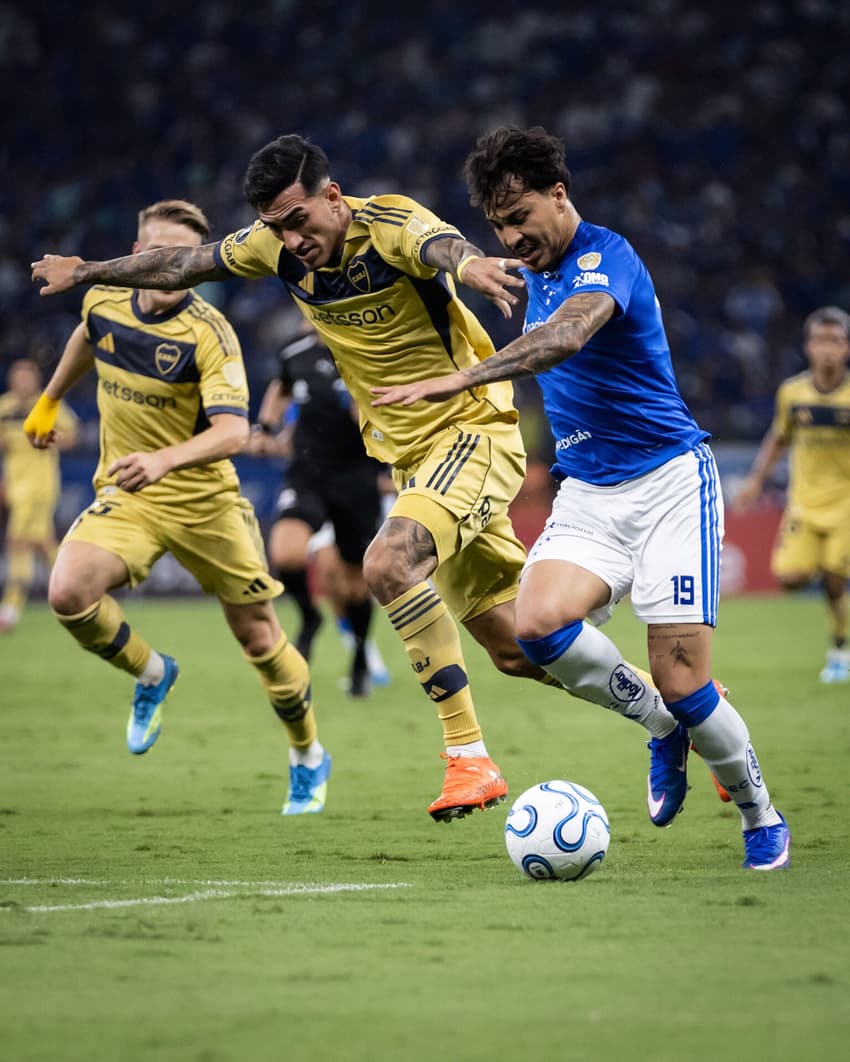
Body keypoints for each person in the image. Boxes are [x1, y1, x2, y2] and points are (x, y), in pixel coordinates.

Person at [32, 135, 683, 829]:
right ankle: (679, 713)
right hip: (409, 455)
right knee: (517, 650)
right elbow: (185, 262)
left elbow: (442, 248)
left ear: (333, 196)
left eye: (299, 218)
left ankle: (468, 757)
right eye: (277, 225)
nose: (292, 238)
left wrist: (471, 269)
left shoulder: (390, 224)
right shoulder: (274, 247)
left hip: (470, 428)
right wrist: (91, 270)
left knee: (389, 560)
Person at [372, 125, 790, 869]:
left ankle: (759, 811)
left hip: (667, 482)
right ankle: (663, 728)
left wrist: (464, 379)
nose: (510, 235)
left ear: (557, 195)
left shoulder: (608, 258)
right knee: (535, 628)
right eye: (497, 224)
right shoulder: (530, 276)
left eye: (519, 216)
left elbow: (565, 338)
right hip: (590, 493)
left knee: (686, 677)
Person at [24, 199, 330, 815]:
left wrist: (163, 460)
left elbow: (233, 432)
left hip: (206, 503)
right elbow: (89, 337)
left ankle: (307, 753)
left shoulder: (209, 335)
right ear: (138, 256)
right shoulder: (103, 299)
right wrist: (51, 400)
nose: (169, 267)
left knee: (259, 638)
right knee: (67, 593)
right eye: (157, 254)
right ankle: (152, 672)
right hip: (129, 497)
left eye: (180, 259)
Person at [248, 322, 388, 696]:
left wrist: (365, 413)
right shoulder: (295, 353)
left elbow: (380, 417)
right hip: (306, 473)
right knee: (285, 553)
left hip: (356, 480)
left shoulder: (367, 351)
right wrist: (265, 425)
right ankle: (310, 618)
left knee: (355, 587)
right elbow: (281, 385)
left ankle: (360, 651)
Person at [735, 305, 850, 684]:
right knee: (792, 577)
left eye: (835, 340)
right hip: (805, 503)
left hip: (846, 503)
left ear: (846, 348)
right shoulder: (793, 393)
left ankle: (840, 649)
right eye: (820, 340)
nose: (827, 349)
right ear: (808, 346)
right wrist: (755, 481)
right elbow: (778, 438)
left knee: (835, 579)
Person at [0, 357, 79, 632]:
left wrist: (55, 438)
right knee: (43, 543)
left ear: (36, 379)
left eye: (27, 376)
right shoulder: (4, 407)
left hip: (41, 486)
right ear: (11, 379)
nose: (22, 381)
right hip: (14, 486)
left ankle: (10, 608)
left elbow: (73, 436)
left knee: (16, 542)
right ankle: (81, 591)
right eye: (17, 376)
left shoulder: (49, 403)